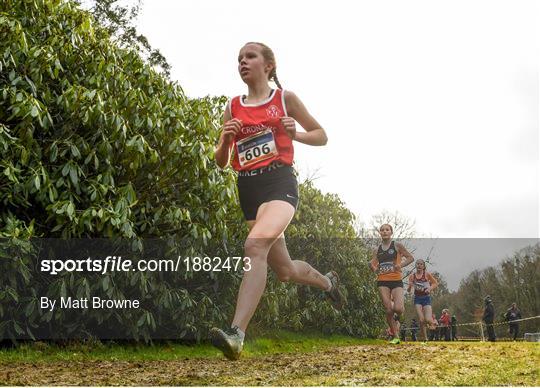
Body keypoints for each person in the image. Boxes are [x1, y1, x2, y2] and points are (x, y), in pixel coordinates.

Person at [211, 42, 344, 360]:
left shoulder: (285, 99)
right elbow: (221, 160)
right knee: (284, 270)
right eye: (239, 58)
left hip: (279, 182)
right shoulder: (233, 106)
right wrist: (227, 140)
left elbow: (321, 134)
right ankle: (328, 283)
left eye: (250, 56)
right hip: (248, 189)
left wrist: (296, 134)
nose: (243, 61)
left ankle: (236, 335)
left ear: (268, 65)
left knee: (254, 246)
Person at [370, 224, 414, 344]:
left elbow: (410, 258)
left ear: (391, 232)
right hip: (382, 281)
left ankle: (398, 316)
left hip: (396, 280)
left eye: (387, 230)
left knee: (398, 309)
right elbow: (372, 264)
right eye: (382, 230)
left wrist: (400, 265)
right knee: (389, 310)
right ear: (380, 233)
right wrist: (375, 269)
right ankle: (395, 336)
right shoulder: (377, 249)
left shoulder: (397, 245)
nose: (384, 232)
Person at [407, 259, 438, 342]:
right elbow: (408, 291)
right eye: (417, 264)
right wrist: (410, 286)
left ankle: (433, 324)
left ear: (423, 266)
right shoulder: (412, 276)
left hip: (426, 298)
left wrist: (430, 288)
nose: (419, 265)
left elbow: (435, 283)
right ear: (415, 266)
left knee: (427, 319)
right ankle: (425, 338)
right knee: (421, 320)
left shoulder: (427, 274)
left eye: (421, 264)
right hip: (417, 298)